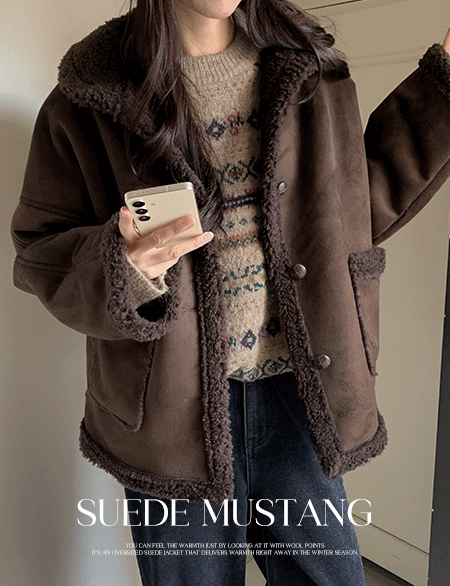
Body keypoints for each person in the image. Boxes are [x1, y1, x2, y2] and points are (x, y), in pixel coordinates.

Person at [10, 0, 450, 584]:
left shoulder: (311, 71)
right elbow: (40, 249)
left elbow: (354, 210)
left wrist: (442, 87)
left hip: (299, 393)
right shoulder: (90, 96)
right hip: (171, 413)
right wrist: (124, 264)